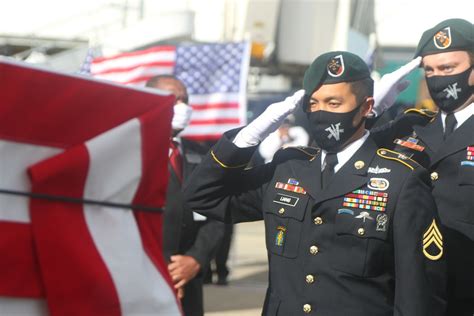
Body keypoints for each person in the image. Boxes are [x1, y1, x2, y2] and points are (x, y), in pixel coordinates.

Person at [184, 51, 446, 315]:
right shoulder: (288, 168)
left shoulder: (401, 179)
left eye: (334, 103)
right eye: (314, 103)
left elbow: (417, 293)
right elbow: (203, 196)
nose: (321, 113)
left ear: (367, 107)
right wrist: (250, 136)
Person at [372, 18, 474, 316]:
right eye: (429, 70)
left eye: (448, 68)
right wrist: (368, 111)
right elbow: (345, 159)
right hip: (403, 291)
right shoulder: (409, 125)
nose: (437, 78)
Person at [146, 75, 224, 316]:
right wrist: (165, 266)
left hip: (188, 278)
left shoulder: (203, 155)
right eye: (174, 99)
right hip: (144, 275)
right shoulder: (133, 150)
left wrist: (196, 259)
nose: (182, 107)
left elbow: (217, 214)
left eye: (185, 100)